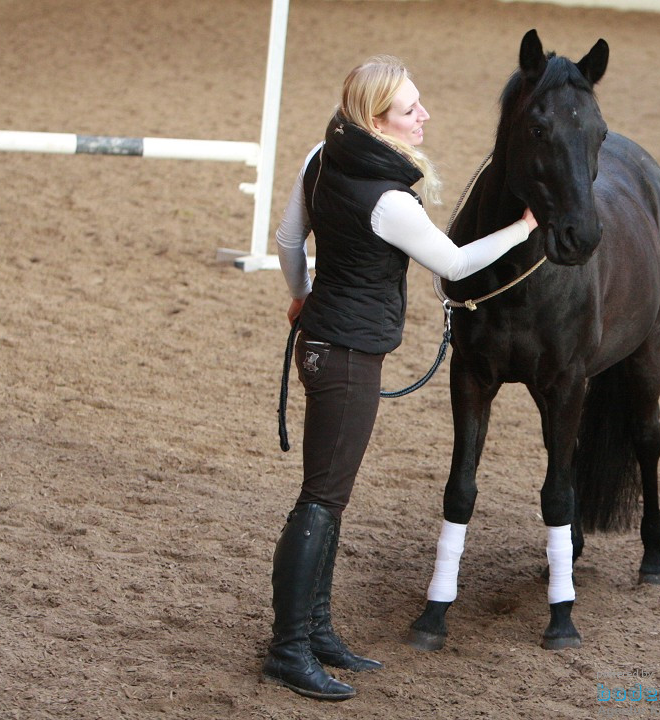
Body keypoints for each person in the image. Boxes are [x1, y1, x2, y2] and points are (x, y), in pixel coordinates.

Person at [263, 55, 537, 701]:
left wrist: (302, 297)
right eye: (411, 108)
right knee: (321, 501)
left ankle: (317, 632)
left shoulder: (319, 156)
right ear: (375, 118)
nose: (425, 116)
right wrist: (525, 228)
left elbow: (286, 240)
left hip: (324, 342)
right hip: (348, 356)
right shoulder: (389, 200)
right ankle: (288, 648)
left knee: (329, 498)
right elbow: (457, 265)